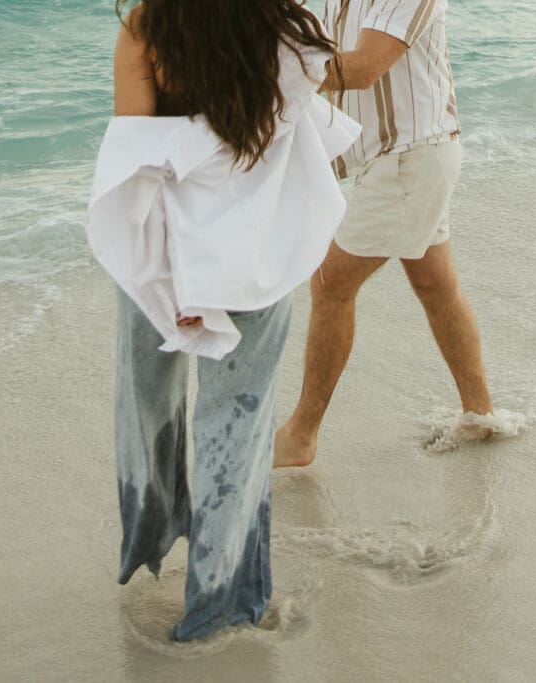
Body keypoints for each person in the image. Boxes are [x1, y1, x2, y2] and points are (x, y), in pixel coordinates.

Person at [86, 0, 358, 641]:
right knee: (238, 422)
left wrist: (171, 280)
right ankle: (222, 600)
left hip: (163, 253)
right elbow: (301, 115)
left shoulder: (148, 27)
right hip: (256, 249)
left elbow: (138, 164)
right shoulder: (282, 26)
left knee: (146, 400)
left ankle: (153, 533)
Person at [275, 0, 495, 468]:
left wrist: (270, 71)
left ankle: (301, 436)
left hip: (411, 158)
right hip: (398, 159)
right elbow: (293, 36)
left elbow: (362, 69)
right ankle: (480, 414)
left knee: (331, 284)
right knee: (437, 286)